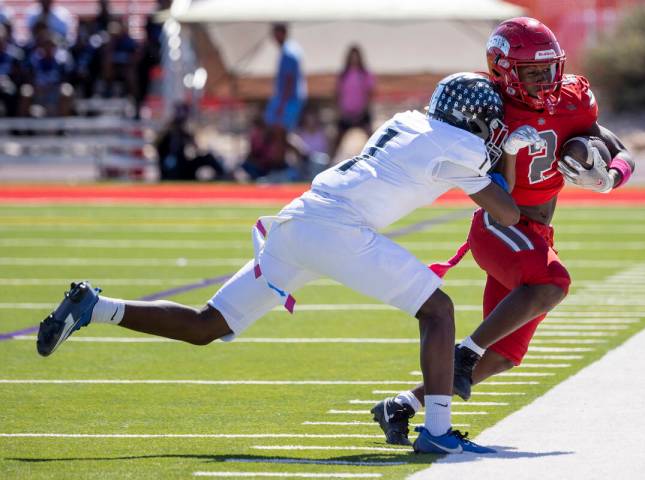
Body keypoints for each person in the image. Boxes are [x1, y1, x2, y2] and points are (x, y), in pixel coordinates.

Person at [35, 72, 545, 454]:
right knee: (437, 310)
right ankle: (437, 432)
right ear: (471, 119)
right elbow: (507, 212)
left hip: (299, 219)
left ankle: (96, 307)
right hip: (338, 227)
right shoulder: (456, 143)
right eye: (490, 123)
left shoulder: (408, 121)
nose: (495, 130)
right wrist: (513, 157)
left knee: (207, 324)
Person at [372, 17, 636, 446]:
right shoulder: (486, 106)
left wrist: (610, 177)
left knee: (504, 355)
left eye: (549, 69)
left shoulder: (571, 98)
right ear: (503, 70)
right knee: (552, 283)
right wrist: (507, 155)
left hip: (536, 232)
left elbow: (617, 147)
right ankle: (462, 354)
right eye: (532, 72)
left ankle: (401, 405)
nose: (544, 80)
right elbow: (491, 189)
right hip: (501, 226)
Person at [263, 23, 306, 172]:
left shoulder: (288, 52)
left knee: (280, 132)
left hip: (287, 100)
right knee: (281, 134)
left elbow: (288, 80)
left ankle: (290, 163)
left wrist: (282, 104)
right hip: (287, 99)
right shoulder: (290, 50)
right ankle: (299, 160)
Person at [155, 102, 228, 181]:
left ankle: (223, 175)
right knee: (206, 158)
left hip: (182, 166)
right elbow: (165, 151)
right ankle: (223, 175)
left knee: (207, 157)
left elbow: (195, 147)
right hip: (174, 170)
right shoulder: (170, 131)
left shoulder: (183, 132)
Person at [331, 45, 375, 160]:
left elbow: (370, 93)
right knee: (337, 139)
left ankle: (376, 159)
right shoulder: (343, 75)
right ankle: (330, 161)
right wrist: (341, 111)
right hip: (346, 114)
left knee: (373, 139)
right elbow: (337, 93)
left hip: (361, 113)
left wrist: (364, 109)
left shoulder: (365, 74)